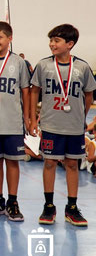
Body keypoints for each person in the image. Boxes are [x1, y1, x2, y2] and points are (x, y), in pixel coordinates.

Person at [29, 24, 96, 226]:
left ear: (70, 44)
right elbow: (34, 91)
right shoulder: (44, 65)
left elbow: (88, 95)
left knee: (72, 164)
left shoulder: (82, 67)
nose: (52, 44)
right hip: (51, 125)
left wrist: (81, 116)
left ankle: (72, 208)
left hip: (74, 126)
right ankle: (49, 206)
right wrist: (33, 118)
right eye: (51, 40)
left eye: (56, 41)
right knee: (49, 162)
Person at [0, 22, 31, 221]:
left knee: (12, 162)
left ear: (10, 38)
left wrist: (28, 118)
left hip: (12, 122)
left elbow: (26, 91)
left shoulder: (18, 63)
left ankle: (13, 201)